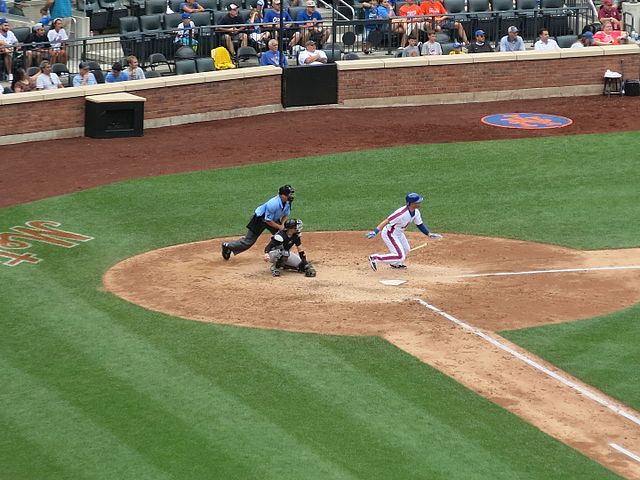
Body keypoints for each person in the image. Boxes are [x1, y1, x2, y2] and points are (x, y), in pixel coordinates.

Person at [367, 192, 442, 271]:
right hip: (390, 233)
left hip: (399, 233)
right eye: (418, 202)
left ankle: (395, 264)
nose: (420, 203)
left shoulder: (416, 212)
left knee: (406, 249)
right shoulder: (400, 213)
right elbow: (386, 221)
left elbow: (419, 224)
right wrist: (375, 232)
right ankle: (374, 258)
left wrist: (429, 234)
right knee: (400, 256)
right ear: (412, 203)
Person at [222, 184, 296, 259]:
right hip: (260, 220)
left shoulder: (287, 202)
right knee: (248, 242)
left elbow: (286, 214)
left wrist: (282, 224)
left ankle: (281, 255)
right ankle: (228, 246)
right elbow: (267, 220)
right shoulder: (273, 203)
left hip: (273, 220)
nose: (291, 196)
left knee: (282, 235)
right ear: (282, 195)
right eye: (288, 194)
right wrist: (279, 227)